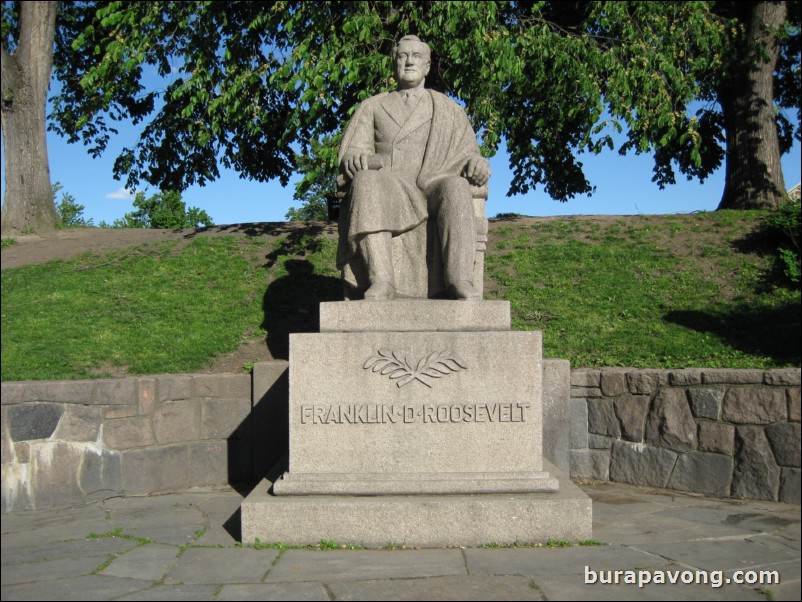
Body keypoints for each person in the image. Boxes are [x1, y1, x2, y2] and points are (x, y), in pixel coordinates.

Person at [337, 35, 491, 300]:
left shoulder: (449, 110)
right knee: (365, 182)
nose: (409, 62)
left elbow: (468, 154)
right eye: (402, 56)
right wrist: (355, 160)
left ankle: (459, 279)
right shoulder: (372, 106)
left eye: (416, 56)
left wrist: (477, 163)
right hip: (390, 185)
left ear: (428, 66)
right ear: (394, 64)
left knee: (456, 186)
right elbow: (352, 152)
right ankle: (382, 280)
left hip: (432, 183)